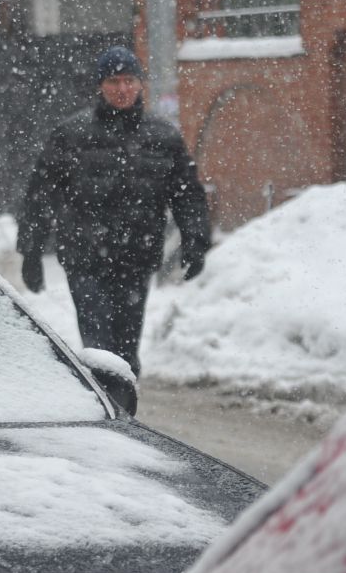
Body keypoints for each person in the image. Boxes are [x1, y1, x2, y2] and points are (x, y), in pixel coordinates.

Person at [18, 45, 210, 375]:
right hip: (85, 260)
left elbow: (187, 194)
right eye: (114, 81)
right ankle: (107, 412)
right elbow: (41, 195)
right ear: (100, 86)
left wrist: (195, 242)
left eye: (129, 80)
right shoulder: (71, 136)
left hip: (136, 259)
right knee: (99, 349)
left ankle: (122, 417)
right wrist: (32, 251)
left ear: (140, 85)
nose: (122, 89)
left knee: (126, 351)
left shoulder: (163, 137)